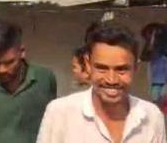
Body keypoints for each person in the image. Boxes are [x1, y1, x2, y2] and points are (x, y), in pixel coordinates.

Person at [37, 22, 166, 142]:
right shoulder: (60, 113)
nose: (111, 79)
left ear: (135, 68)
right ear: (88, 65)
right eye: (102, 68)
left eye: (121, 69)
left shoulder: (151, 117)